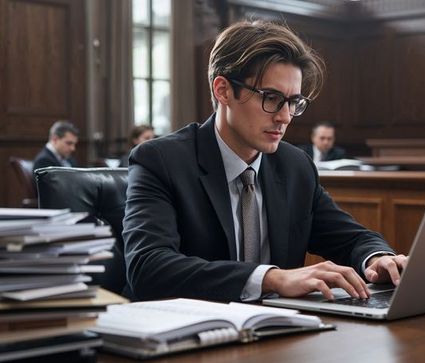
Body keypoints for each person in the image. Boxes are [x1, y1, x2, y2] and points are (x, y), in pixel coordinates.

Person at [123, 21, 407, 303]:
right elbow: (148, 268)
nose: (284, 117)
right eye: (271, 98)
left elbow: (351, 238)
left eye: (293, 101)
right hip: (193, 337)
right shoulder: (160, 161)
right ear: (223, 90)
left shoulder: (295, 165)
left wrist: (378, 258)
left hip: (279, 333)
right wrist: (271, 278)